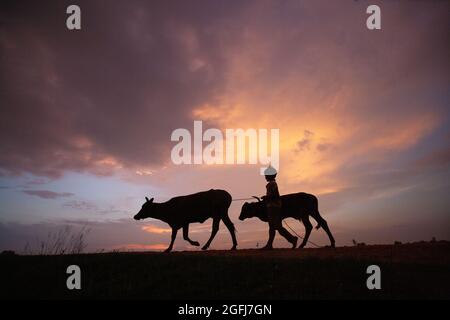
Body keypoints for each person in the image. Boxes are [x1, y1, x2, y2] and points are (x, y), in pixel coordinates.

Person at [261, 166, 298, 250]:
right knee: (274, 227)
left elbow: (274, 195)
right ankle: (270, 244)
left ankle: (292, 239)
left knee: (277, 227)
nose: (265, 177)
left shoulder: (272, 184)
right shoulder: (271, 184)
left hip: (274, 207)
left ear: (271, 176)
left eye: (266, 175)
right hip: (272, 207)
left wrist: (266, 197)